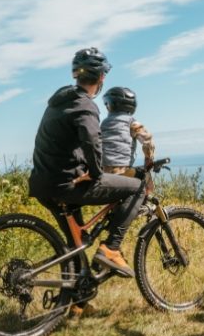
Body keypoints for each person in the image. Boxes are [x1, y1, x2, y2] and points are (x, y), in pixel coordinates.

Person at [28, 47, 146, 282]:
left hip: (43, 183)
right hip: (66, 184)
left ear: (75, 74)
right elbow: (93, 143)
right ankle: (111, 249)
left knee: (76, 243)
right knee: (138, 187)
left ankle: (77, 301)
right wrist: (95, 174)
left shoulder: (60, 100)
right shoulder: (85, 106)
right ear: (102, 77)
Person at [100, 87, 155, 175]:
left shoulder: (104, 123)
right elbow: (147, 140)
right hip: (122, 171)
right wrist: (148, 159)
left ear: (111, 104)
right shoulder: (132, 122)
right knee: (146, 180)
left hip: (102, 170)